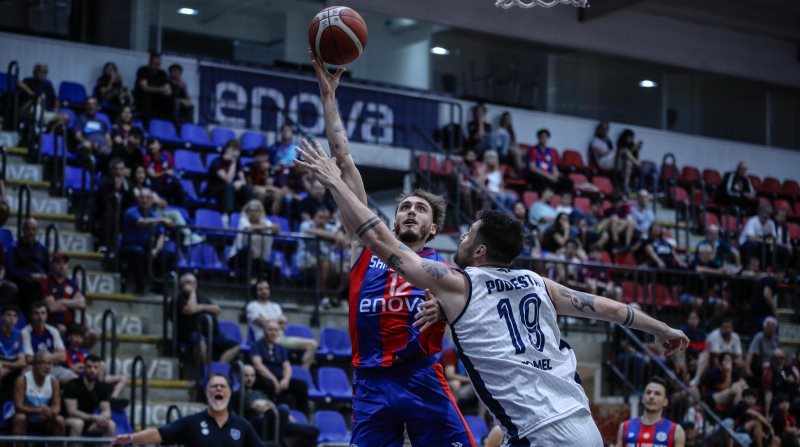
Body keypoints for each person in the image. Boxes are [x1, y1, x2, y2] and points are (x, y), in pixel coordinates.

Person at [296, 138, 689, 446]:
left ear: (480, 250)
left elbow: (381, 240)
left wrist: (333, 182)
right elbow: (611, 309)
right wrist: (662, 330)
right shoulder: (538, 283)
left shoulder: (458, 283)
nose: (461, 238)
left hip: (537, 431)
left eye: (466, 235)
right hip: (582, 426)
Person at [310, 49, 475, 446]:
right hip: (371, 381)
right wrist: (329, 98)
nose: (411, 213)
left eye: (419, 209)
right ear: (394, 220)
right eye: (404, 208)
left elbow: (471, 309)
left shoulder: (443, 269)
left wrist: (448, 309)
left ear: (433, 228)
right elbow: (345, 161)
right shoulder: (365, 245)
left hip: (420, 375)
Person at [112, 374, 263, 446]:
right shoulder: (193, 422)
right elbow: (158, 434)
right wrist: (130, 437)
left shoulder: (242, 425)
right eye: (214, 386)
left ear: (229, 393)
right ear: (206, 393)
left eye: (223, 386)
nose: (218, 389)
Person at [245, 279, 318, 370]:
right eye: (260, 289)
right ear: (255, 291)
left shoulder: (276, 306)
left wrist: (271, 321)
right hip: (264, 340)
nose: (264, 291)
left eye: (266, 288)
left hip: (281, 339)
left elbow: (282, 325)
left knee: (313, 344)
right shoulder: (252, 306)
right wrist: (276, 322)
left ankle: (303, 371)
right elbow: (267, 325)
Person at [242, 364, 319, 446]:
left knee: (313, 430)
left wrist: (287, 416)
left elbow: (271, 405)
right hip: (260, 425)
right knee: (283, 408)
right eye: (246, 375)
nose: (249, 379)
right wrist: (268, 406)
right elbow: (256, 406)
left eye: (252, 376)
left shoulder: (260, 392)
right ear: (239, 376)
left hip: (277, 422)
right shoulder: (238, 394)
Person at [177, 273, 241, 365]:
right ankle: (206, 369)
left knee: (236, 345)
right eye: (188, 282)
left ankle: (218, 367)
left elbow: (217, 309)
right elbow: (190, 309)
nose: (192, 285)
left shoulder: (201, 297)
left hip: (211, 333)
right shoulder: (180, 298)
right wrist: (192, 293)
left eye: (194, 282)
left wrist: (200, 307)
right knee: (201, 340)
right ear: (182, 285)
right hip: (190, 334)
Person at [250, 320, 309, 415]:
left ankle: (302, 415)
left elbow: (287, 366)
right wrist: (274, 380)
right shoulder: (257, 346)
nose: (273, 333)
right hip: (264, 379)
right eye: (270, 330)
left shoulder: (280, 348)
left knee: (301, 386)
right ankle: (269, 414)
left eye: (276, 330)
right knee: (269, 384)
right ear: (265, 330)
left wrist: (286, 379)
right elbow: (258, 366)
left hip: (280, 379)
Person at [120, 188, 174, 294]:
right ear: (138, 200)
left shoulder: (153, 214)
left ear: (151, 201)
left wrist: (156, 250)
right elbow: (141, 222)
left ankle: (158, 286)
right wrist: (162, 219)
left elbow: (161, 235)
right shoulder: (131, 211)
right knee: (138, 252)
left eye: (148, 198)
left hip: (148, 247)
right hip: (130, 246)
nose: (145, 200)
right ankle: (140, 287)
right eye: (142, 197)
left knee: (168, 254)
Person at [616, 377, 685, 447]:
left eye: (657, 394)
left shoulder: (675, 430)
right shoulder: (625, 427)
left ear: (665, 402)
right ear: (643, 399)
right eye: (648, 392)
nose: (651, 396)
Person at [12, 350, 66, 436]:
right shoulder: (22, 380)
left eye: (49, 363)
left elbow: (57, 406)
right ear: (34, 365)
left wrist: (51, 412)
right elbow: (18, 407)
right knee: (20, 418)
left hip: (44, 418)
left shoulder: (54, 381)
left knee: (60, 420)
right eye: (43, 363)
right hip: (27, 417)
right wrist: (38, 411)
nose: (47, 367)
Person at [22, 301, 77, 383]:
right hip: (34, 368)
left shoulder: (53, 331)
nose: (40, 317)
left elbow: (63, 356)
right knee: (25, 375)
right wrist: (53, 356)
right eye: (36, 313)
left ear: (46, 315)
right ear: (31, 316)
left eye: (43, 313)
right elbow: (29, 359)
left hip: (53, 368)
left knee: (74, 378)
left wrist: (41, 358)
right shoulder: (25, 332)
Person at [63, 354, 116, 438]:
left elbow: (106, 409)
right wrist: (93, 418)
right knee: (78, 423)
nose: (92, 370)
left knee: (110, 425)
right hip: (69, 419)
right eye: (89, 367)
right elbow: (72, 411)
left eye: (95, 367)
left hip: (89, 421)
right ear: (84, 368)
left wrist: (103, 417)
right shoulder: (73, 385)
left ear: (99, 369)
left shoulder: (101, 387)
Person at [6, 218, 50, 314]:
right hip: (21, 284)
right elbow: (10, 270)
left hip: (39, 285)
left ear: (37, 231)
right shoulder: (14, 247)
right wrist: (29, 275)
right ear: (23, 230)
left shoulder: (42, 249)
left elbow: (49, 269)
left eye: (33, 229)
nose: (30, 232)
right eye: (28, 229)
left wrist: (43, 276)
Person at [206, 139, 253, 223]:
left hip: (232, 189)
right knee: (229, 187)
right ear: (227, 149)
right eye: (234, 150)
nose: (236, 153)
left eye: (238, 151)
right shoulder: (217, 162)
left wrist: (240, 183)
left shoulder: (238, 163)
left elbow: (243, 180)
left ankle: (250, 214)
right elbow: (228, 179)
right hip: (216, 190)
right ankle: (226, 216)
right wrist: (233, 163)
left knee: (247, 188)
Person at [228, 200, 279, 275]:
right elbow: (249, 228)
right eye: (250, 211)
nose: (253, 213)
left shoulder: (265, 222)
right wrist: (270, 227)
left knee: (275, 270)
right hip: (239, 257)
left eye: (256, 211)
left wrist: (276, 229)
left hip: (256, 259)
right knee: (246, 252)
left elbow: (274, 229)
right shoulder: (243, 220)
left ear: (261, 212)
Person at [16, 63, 69, 132]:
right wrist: (33, 95)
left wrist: (56, 111)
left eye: (45, 72)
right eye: (40, 71)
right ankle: (37, 130)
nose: (42, 74)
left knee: (65, 117)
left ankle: (49, 137)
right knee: (38, 103)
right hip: (26, 110)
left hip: (43, 113)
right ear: (34, 72)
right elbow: (18, 83)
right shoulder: (28, 81)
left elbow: (56, 100)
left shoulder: (48, 86)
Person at [526, 129, 572, 194]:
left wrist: (555, 176)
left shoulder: (551, 152)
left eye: (546, 137)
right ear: (538, 138)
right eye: (542, 137)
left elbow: (554, 167)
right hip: (539, 174)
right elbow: (532, 168)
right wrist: (548, 176)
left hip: (549, 175)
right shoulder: (533, 150)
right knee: (540, 180)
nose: (544, 139)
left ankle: (562, 201)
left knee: (568, 182)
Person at [143, 136, 183, 205]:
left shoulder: (166, 156)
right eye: (149, 144)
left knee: (177, 185)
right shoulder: (147, 158)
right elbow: (152, 175)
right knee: (156, 184)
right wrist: (165, 173)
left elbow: (172, 169)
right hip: (153, 184)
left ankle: (180, 206)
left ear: (159, 145)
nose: (151, 146)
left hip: (166, 183)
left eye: (153, 143)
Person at [134, 51, 172, 122]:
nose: (156, 66)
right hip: (142, 98)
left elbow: (168, 90)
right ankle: (147, 124)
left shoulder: (162, 73)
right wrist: (160, 89)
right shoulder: (143, 70)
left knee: (170, 98)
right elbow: (144, 88)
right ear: (149, 62)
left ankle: (170, 124)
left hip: (157, 100)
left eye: (158, 64)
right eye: (154, 63)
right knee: (147, 95)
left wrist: (165, 91)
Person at [0, 305, 26, 403]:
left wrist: (6, 368)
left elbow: (22, 362)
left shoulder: (18, 334)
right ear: (2, 317)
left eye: (15, 316)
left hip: (10, 365)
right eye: (9, 315)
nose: (12, 319)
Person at [74, 96, 113, 161]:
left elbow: (108, 138)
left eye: (93, 104)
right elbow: (78, 136)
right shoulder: (80, 119)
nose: (91, 107)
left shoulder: (102, 120)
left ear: (97, 107)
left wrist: (106, 146)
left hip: (101, 147)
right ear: (85, 106)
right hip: (87, 146)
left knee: (111, 152)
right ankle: (91, 163)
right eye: (88, 104)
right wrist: (92, 144)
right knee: (86, 146)